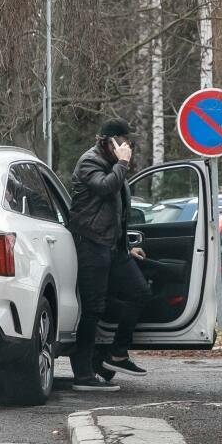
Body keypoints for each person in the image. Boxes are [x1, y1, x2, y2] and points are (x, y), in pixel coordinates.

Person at [68, 118, 152, 392]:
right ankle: (83, 373)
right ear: (109, 142)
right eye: (123, 141)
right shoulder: (89, 162)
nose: (128, 146)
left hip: (112, 246)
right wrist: (123, 163)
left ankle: (117, 354)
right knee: (93, 309)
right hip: (91, 244)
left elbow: (118, 209)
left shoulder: (114, 165)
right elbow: (104, 187)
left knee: (139, 292)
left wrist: (126, 245)